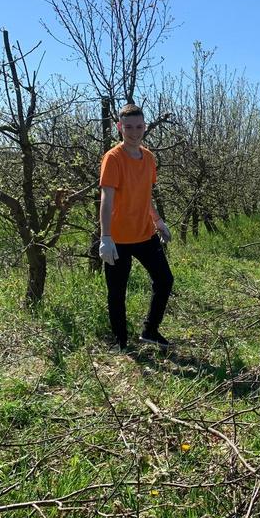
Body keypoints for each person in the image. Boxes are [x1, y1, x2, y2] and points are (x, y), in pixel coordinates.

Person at [99, 103, 174, 351]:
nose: (134, 132)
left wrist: (158, 221)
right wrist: (105, 237)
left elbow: (145, 196)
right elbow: (106, 199)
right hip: (117, 238)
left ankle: (150, 331)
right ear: (120, 128)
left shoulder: (149, 158)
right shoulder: (113, 158)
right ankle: (121, 342)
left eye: (139, 126)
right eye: (128, 127)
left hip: (144, 234)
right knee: (117, 292)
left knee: (164, 280)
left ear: (145, 127)